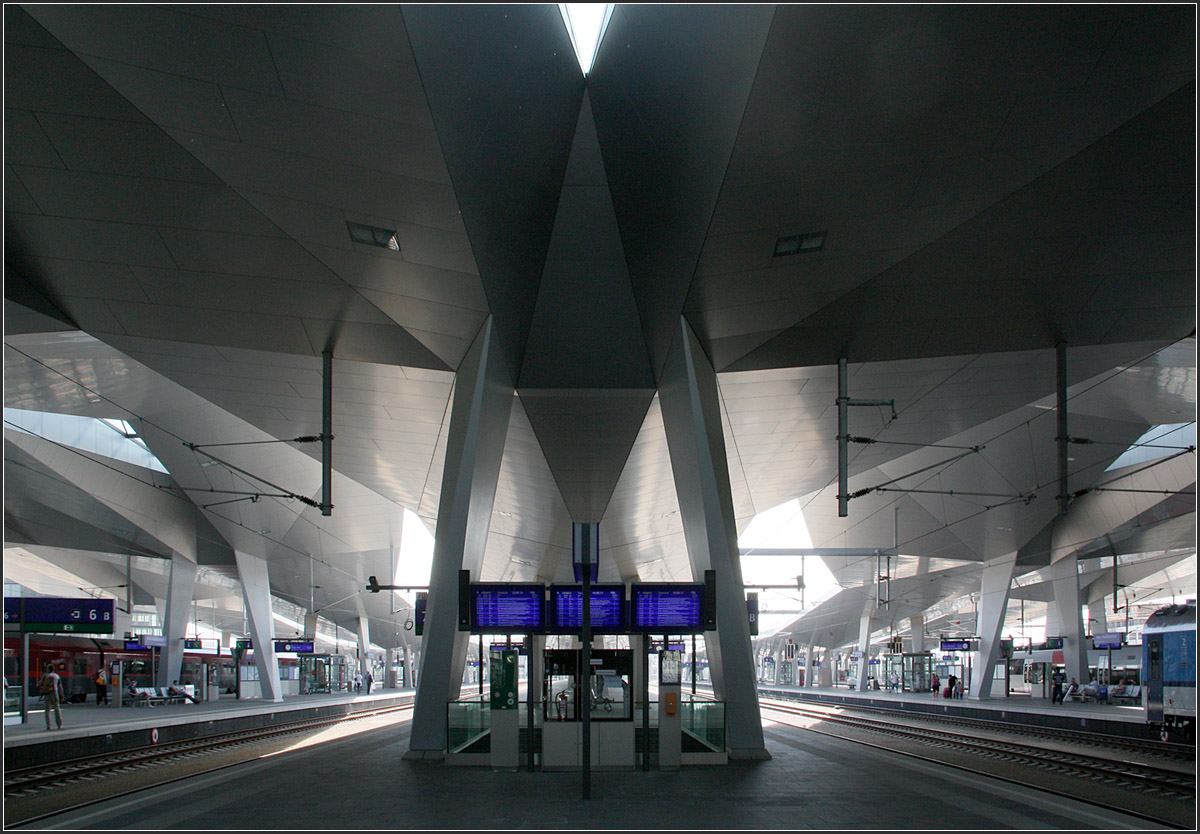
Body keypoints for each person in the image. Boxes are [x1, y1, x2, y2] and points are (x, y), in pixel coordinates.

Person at [40, 664, 65, 730]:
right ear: (53, 669)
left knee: (47, 710)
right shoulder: (56, 676)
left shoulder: (45, 676)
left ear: (48, 669)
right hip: (54, 693)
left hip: (47, 694)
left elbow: (41, 684)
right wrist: (61, 695)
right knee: (57, 708)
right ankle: (59, 724)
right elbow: (60, 686)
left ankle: (48, 725)